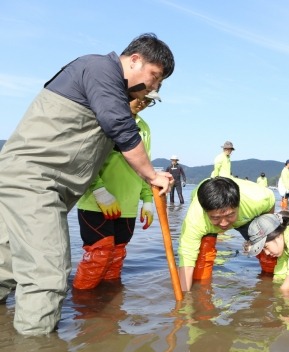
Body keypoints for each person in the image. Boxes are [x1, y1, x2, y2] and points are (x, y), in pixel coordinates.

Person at [0, 33, 175, 335]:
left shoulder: (116, 97)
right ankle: (35, 351)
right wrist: (153, 175)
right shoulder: (99, 70)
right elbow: (119, 127)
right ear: (135, 59)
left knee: (8, 263)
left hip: (50, 186)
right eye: (154, 77)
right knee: (48, 275)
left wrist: (147, 190)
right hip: (35, 180)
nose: (153, 87)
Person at [73, 90, 162, 290]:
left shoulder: (144, 128)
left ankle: (110, 310)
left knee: (116, 256)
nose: (143, 103)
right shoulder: (102, 118)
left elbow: (143, 165)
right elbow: (83, 159)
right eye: (140, 97)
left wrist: (147, 200)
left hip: (128, 205)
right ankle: (83, 309)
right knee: (99, 255)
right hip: (96, 204)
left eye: (149, 100)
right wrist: (99, 190)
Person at [177, 177, 276, 291]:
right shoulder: (195, 220)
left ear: (238, 205)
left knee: (268, 249)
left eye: (229, 215)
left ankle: (269, 286)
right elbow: (186, 261)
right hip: (208, 225)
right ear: (205, 212)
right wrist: (184, 303)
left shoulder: (257, 199)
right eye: (216, 217)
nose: (224, 224)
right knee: (201, 261)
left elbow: (271, 202)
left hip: (246, 217)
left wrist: (262, 232)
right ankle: (202, 294)